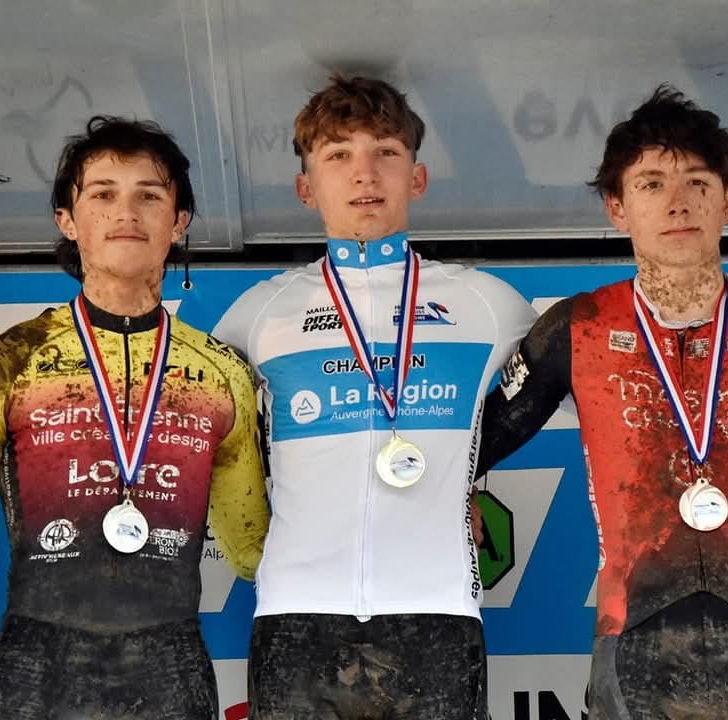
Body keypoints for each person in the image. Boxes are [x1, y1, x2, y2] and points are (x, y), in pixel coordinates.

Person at [476, 85, 728, 719]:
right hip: (631, 642)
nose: (677, 203)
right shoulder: (577, 328)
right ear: (617, 208)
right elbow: (472, 447)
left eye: (697, 183)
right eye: (651, 184)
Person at [0, 116, 269, 720]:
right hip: (35, 669)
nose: (125, 212)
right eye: (103, 194)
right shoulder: (0, 364)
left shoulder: (224, 373)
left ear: (179, 221)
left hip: (172, 668)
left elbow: (251, 551)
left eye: (149, 196)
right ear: (67, 220)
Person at [210, 74, 537, 719]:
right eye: (338, 155)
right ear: (306, 188)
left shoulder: (486, 304)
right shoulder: (261, 312)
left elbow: (589, 392)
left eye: (386, 152)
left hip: (438, 609)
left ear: (418, 178)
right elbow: (195, 424)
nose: (365, 173)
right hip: (296, 612)